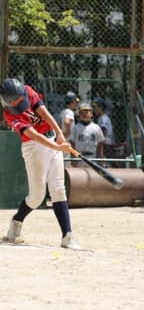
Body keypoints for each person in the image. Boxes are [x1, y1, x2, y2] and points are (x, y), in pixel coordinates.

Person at [0, 78, 80, 249]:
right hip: (33, 147)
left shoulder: (27, 90)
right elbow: (34, 135)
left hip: (51, 138)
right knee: (36, 197)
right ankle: (16, 222)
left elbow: (44, 113)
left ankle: (67, 236)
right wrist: (58, 146)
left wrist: (59, 134)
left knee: (58, 188)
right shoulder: (9, 114)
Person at [70, 102, 105, 167]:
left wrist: (100, 161)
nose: (84, 114)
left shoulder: (96, 128)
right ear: (79, 114)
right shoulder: (75, 128)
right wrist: (73, 160)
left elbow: (100, 145)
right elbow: (72, 145)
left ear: (91, 114)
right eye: (82, 112)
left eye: (87, 112)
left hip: (93, 157)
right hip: (79, 157)